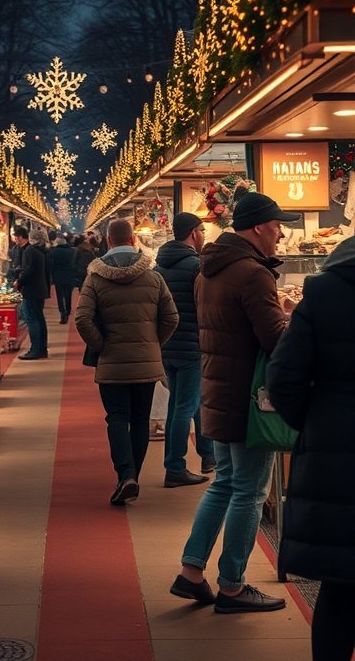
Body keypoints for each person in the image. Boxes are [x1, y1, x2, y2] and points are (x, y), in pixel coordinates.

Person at [170, 191, 299, 613]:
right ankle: (232, 585)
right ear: (260, 226)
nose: (281, 234)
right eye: (278, 225)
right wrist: (291, 318)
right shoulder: (252, 273)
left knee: (226, 483)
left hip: (219, 390)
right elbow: (276, 340)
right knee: (250, 489)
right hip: (247, 399)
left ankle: (191, 572)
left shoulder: (211, 269)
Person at [267, 236, 355, 661]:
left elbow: (282, 378)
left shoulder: (323, 294)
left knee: (341, 588)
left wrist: (317, 424)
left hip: (336, 456)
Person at [75, 218, 179, 506]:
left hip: (112, 364)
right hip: (146, 364)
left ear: (108, 242)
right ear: (133, 241)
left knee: (117, 418)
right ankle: (133, 475)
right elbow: (172, 318)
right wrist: (153, 344)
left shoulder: (95, 277)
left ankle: (125, 475)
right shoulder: (153, 277)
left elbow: (82, 319)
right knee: (140, 419)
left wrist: (102, 345)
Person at [154, 212, 215, 486]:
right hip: (193, 346)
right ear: (194, 233)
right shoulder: (197, 267)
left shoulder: (159, 268)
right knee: (186, 406)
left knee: (185, 402)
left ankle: (208, 454)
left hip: (169, 345)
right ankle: (175, 467)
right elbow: (206, 307)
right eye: (202, 230)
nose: (204, 235)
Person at [14, 226, 50, 360]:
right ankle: (42, 348)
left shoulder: (30, 251)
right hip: (40, 289)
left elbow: (27, 271)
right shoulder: (43, 251)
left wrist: (19, 282)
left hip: (31, 290)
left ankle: (35, 349)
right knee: (39, 319)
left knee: (32, 319)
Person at [48, 235, 77, 323]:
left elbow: (51, 264)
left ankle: (62, 312)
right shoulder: (72, 251)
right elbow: (75, 264)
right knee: (68, 294)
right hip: (69, 276)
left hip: (58, 276)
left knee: (60, 296)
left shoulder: (53, 251)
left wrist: (51, 275)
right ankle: (68, 310)